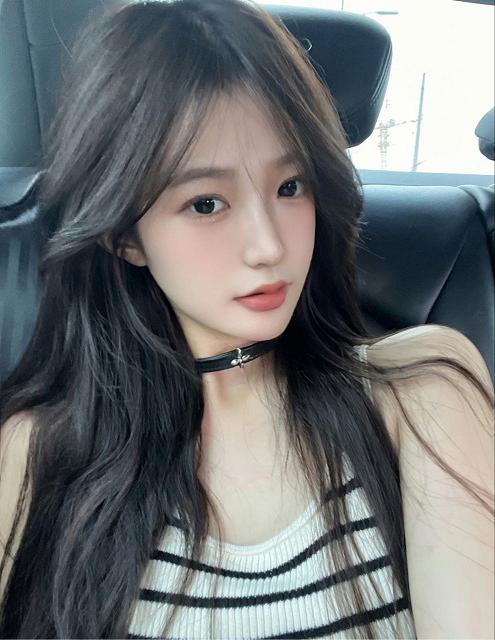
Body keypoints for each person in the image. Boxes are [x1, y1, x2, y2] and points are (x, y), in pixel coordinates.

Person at [0, 1, 493, 638]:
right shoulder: (35, 452)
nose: (268, 245)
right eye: (206, 203)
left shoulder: (421, 391)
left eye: (291, 186)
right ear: (123, 235)